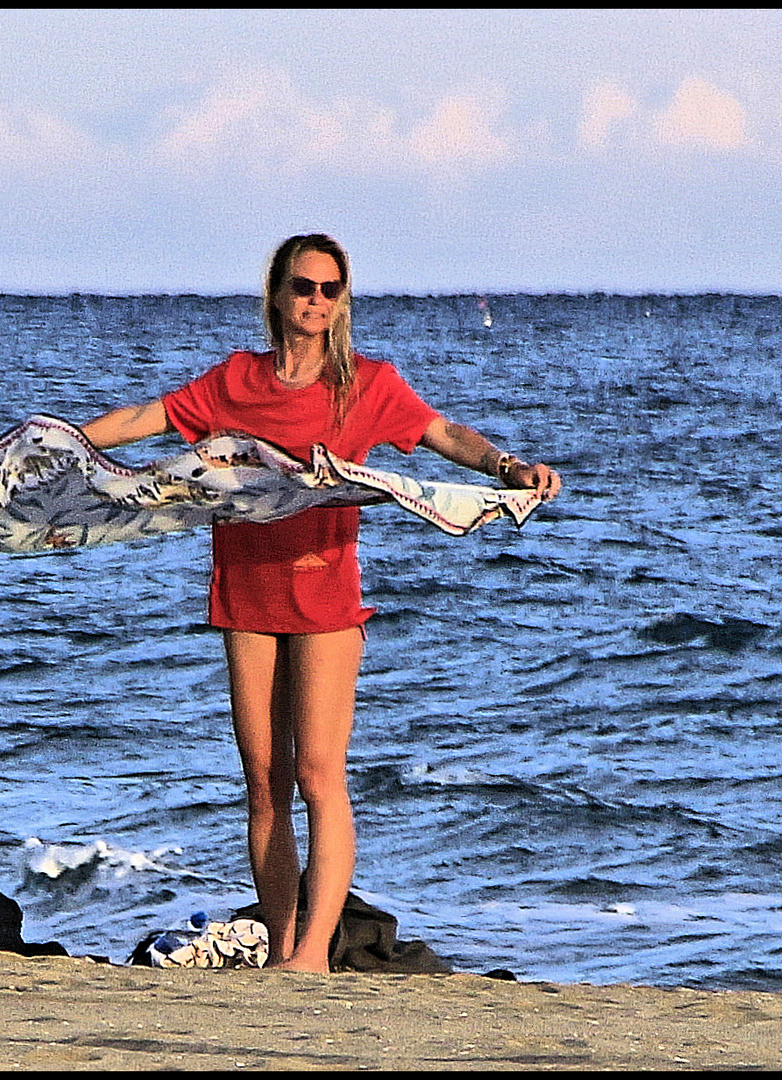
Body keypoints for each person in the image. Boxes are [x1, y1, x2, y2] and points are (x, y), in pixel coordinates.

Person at [81, 235, 560, 972]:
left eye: (330, 289)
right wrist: (54, 451)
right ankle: (280, 948)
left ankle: (311, 954)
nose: (315, 301)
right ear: (276, 293)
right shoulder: (235, 381)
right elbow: (144, 419)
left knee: (317, 776)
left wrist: (507, 465)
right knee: (264, 783)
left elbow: (441, 434)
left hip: (328, 599)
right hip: (245, 595)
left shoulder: (365, 384)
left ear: (343, 300)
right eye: (303, 287)